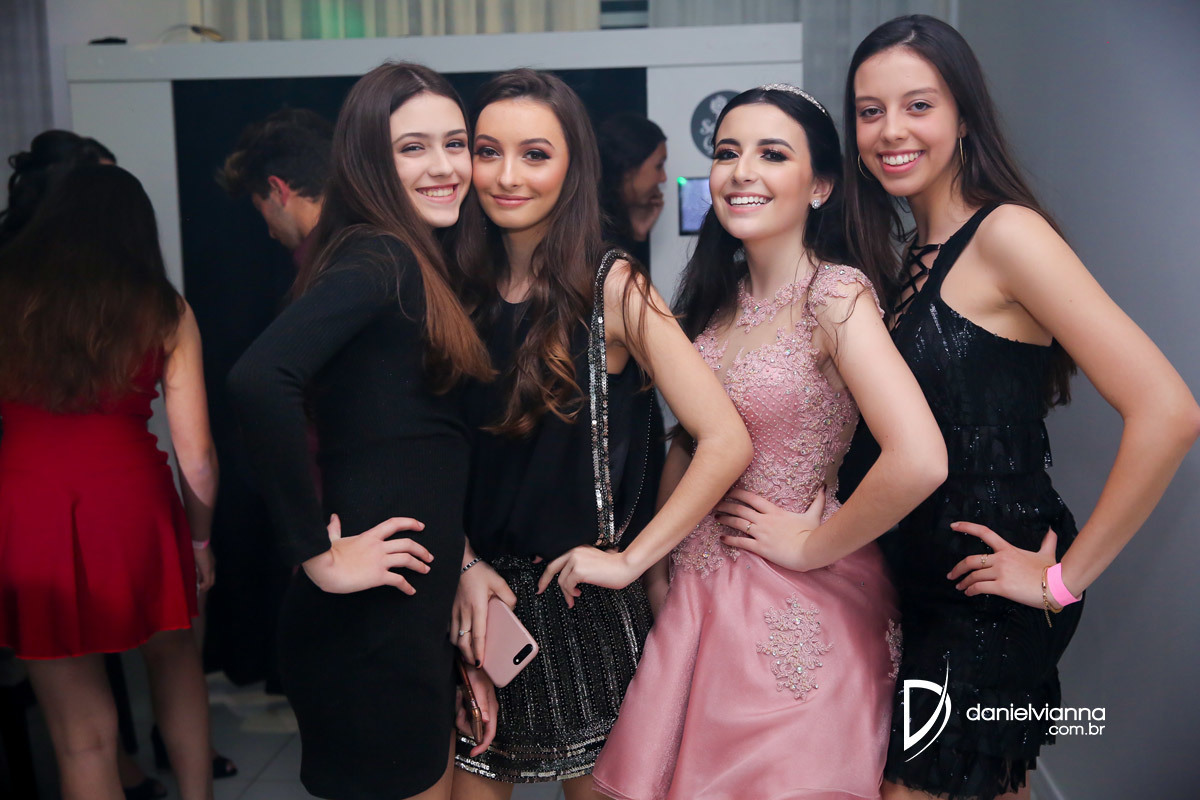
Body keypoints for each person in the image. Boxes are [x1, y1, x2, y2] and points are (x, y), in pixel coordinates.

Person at [838, 15, 1200, 800]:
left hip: (988, 602)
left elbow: (1168, 411)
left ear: (964, 116)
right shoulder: (905, 261)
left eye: (918, 105)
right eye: (870, 111)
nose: (891, 130)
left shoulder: (1007, 234)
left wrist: (1063, 582)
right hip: (925, 594)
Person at [592, 83, 946, 800]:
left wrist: (811, 546)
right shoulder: (713, 300)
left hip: (794, 601)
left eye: (772, 154)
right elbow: (691, 442)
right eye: (727, 153)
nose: (741, 171)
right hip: (694, 597)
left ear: (819, 186)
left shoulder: (835, 296)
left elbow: (920, 459)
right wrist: (656, 564)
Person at [448, 68, 752, 800]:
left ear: (572, 166)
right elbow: (430, 457)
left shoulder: (612, 285)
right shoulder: (452, 289)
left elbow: (725, 439)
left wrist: (633, 559)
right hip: (480, 605)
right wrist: (461, 564)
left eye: (535, 154)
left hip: (582, 609)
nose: (507, 175)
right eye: (488, 151)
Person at [227, 61, 498, 800]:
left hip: (405, 613)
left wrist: (463, 564)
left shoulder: (412, 256)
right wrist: (315, 555)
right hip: (369, 627)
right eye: (413, 148)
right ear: (368, 159)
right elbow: (259, 378)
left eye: (455, 143)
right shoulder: (380, 254)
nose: (444, 166)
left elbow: (413, 444)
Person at [0, 164, 218, 800]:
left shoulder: (6, 296)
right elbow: (197, 456)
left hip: (27, 509)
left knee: (82, 739)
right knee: (175, 662)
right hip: (132, 506)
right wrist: (200, 542)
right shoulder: (163, 308)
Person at [219, 108, 333, 268]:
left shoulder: (327, 268)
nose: (271, 233)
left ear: (278, 190)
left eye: (260, 207)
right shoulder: (360, 243)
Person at [597, 112, 667, 268]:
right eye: (659, 166)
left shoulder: (615, 227)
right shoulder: (592, 232)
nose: (663, 178)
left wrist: (637, 235)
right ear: (629, 167)